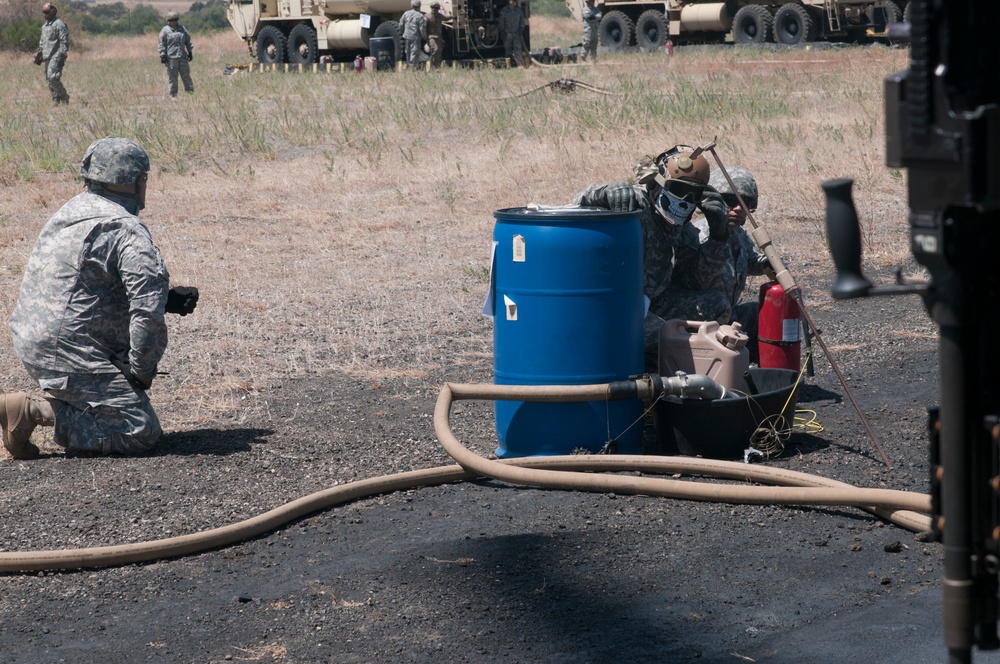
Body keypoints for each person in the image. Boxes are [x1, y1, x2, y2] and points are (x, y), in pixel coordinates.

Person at [2, 138, 199, 460]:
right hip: (72, 352)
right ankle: (31, 410)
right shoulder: (126, 228)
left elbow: (83, 284)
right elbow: (146, 315)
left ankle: (62, 401)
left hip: (33, 340)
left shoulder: (70, 211)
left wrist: (164, 297)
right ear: (139, 181)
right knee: (137, 432)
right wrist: (141, 371)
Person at [573, 146, 732, 370]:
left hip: (652, 304)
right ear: (658, 184)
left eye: (693, 195)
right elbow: (576, 204)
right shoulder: (634, 204)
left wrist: (718, 236)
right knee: (666, 335)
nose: (685, 200)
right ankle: (657, 374)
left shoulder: (681, 227)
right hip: (614, 307)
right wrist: (604, 192)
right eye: (678, 189)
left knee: (717, 306)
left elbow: (694, 281)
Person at [697, 167, 773, 362]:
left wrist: (767, 264)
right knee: (715, 304)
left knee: (763, 311)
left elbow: (749, 260)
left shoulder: (738, 234)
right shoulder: (699, 234)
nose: (738, 209)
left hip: (726, 316)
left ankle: (760, 371)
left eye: (745, 203)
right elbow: (697, 278)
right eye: (730, 202)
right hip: (698, 318)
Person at [35, 3, 70, 105]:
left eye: (46, 12)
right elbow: (42, 42)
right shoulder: (44, 26)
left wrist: (62, 53)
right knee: (48, 79)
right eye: (43, 13)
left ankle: (64, 96)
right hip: (47, 56)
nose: (44, 15)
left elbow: (64, 40)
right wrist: (39, 54)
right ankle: (55, 99)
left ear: (53, 12)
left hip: (57, 55)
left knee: (52, 77)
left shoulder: (59, 24)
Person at [158, 12, 194, 97]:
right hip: (171, 59)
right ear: (168, 21)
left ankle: (190, 94)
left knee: (186, 76)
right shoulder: (165, 31)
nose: (173, 22)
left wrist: (190, 52)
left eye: (175, 20)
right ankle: (173, 95)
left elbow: (188, 41)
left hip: (182, 57)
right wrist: (162, 54)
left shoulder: (182, 29)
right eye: (171, 20)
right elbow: (161, 43)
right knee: (172, 78)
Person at [399, 0, 428, 67]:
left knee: (408, 51)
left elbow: (401, 24)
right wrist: (424, 37)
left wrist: (403, 32)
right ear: (419, 6)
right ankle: (412, 68)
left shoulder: (406, 13)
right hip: (415, 37)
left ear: (411, 6)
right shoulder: (420, 15)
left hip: (407, 36)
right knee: (414, 52)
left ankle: (409, 65)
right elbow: (422, 28)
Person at [497, 0, 525, 66]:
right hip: (515, 34)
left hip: (508, 34)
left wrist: (503, 33)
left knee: (508, 50)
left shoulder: (504, 10)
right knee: (516, 50)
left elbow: (501, 24)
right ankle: (519, 65)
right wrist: (520, 32)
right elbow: (522, 24)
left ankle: (510, 65)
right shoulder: (518, 11)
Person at [425, 2, 444, 68]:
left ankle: (437, 66)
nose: (434, 9)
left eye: (436, 8)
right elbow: (423, 27)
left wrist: (453, 17)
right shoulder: (427, 16)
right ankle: (432, 65)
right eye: (433, 8)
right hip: (431, 37)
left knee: (439, 52)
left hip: (438, 36)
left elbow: (445, 18)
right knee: (434, 50)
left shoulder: (439, 16)